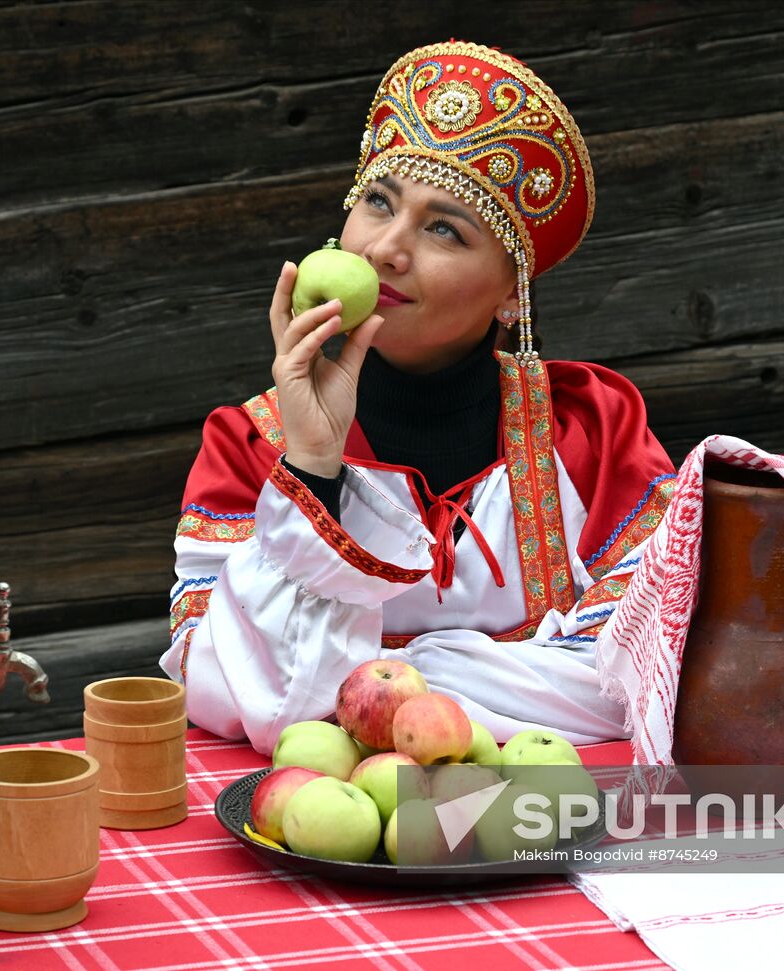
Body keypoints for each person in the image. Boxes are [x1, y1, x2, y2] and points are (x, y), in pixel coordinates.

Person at [160, 41, 676, 754]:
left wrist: (398, 679)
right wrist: (312, 462)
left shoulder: (590, 428)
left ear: (508, 296)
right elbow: (235, 695)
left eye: (443, 229)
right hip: (312, 830)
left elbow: (643, 672)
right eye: (378, 202)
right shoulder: (251, 446)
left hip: (542, 823)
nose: (384, 250)